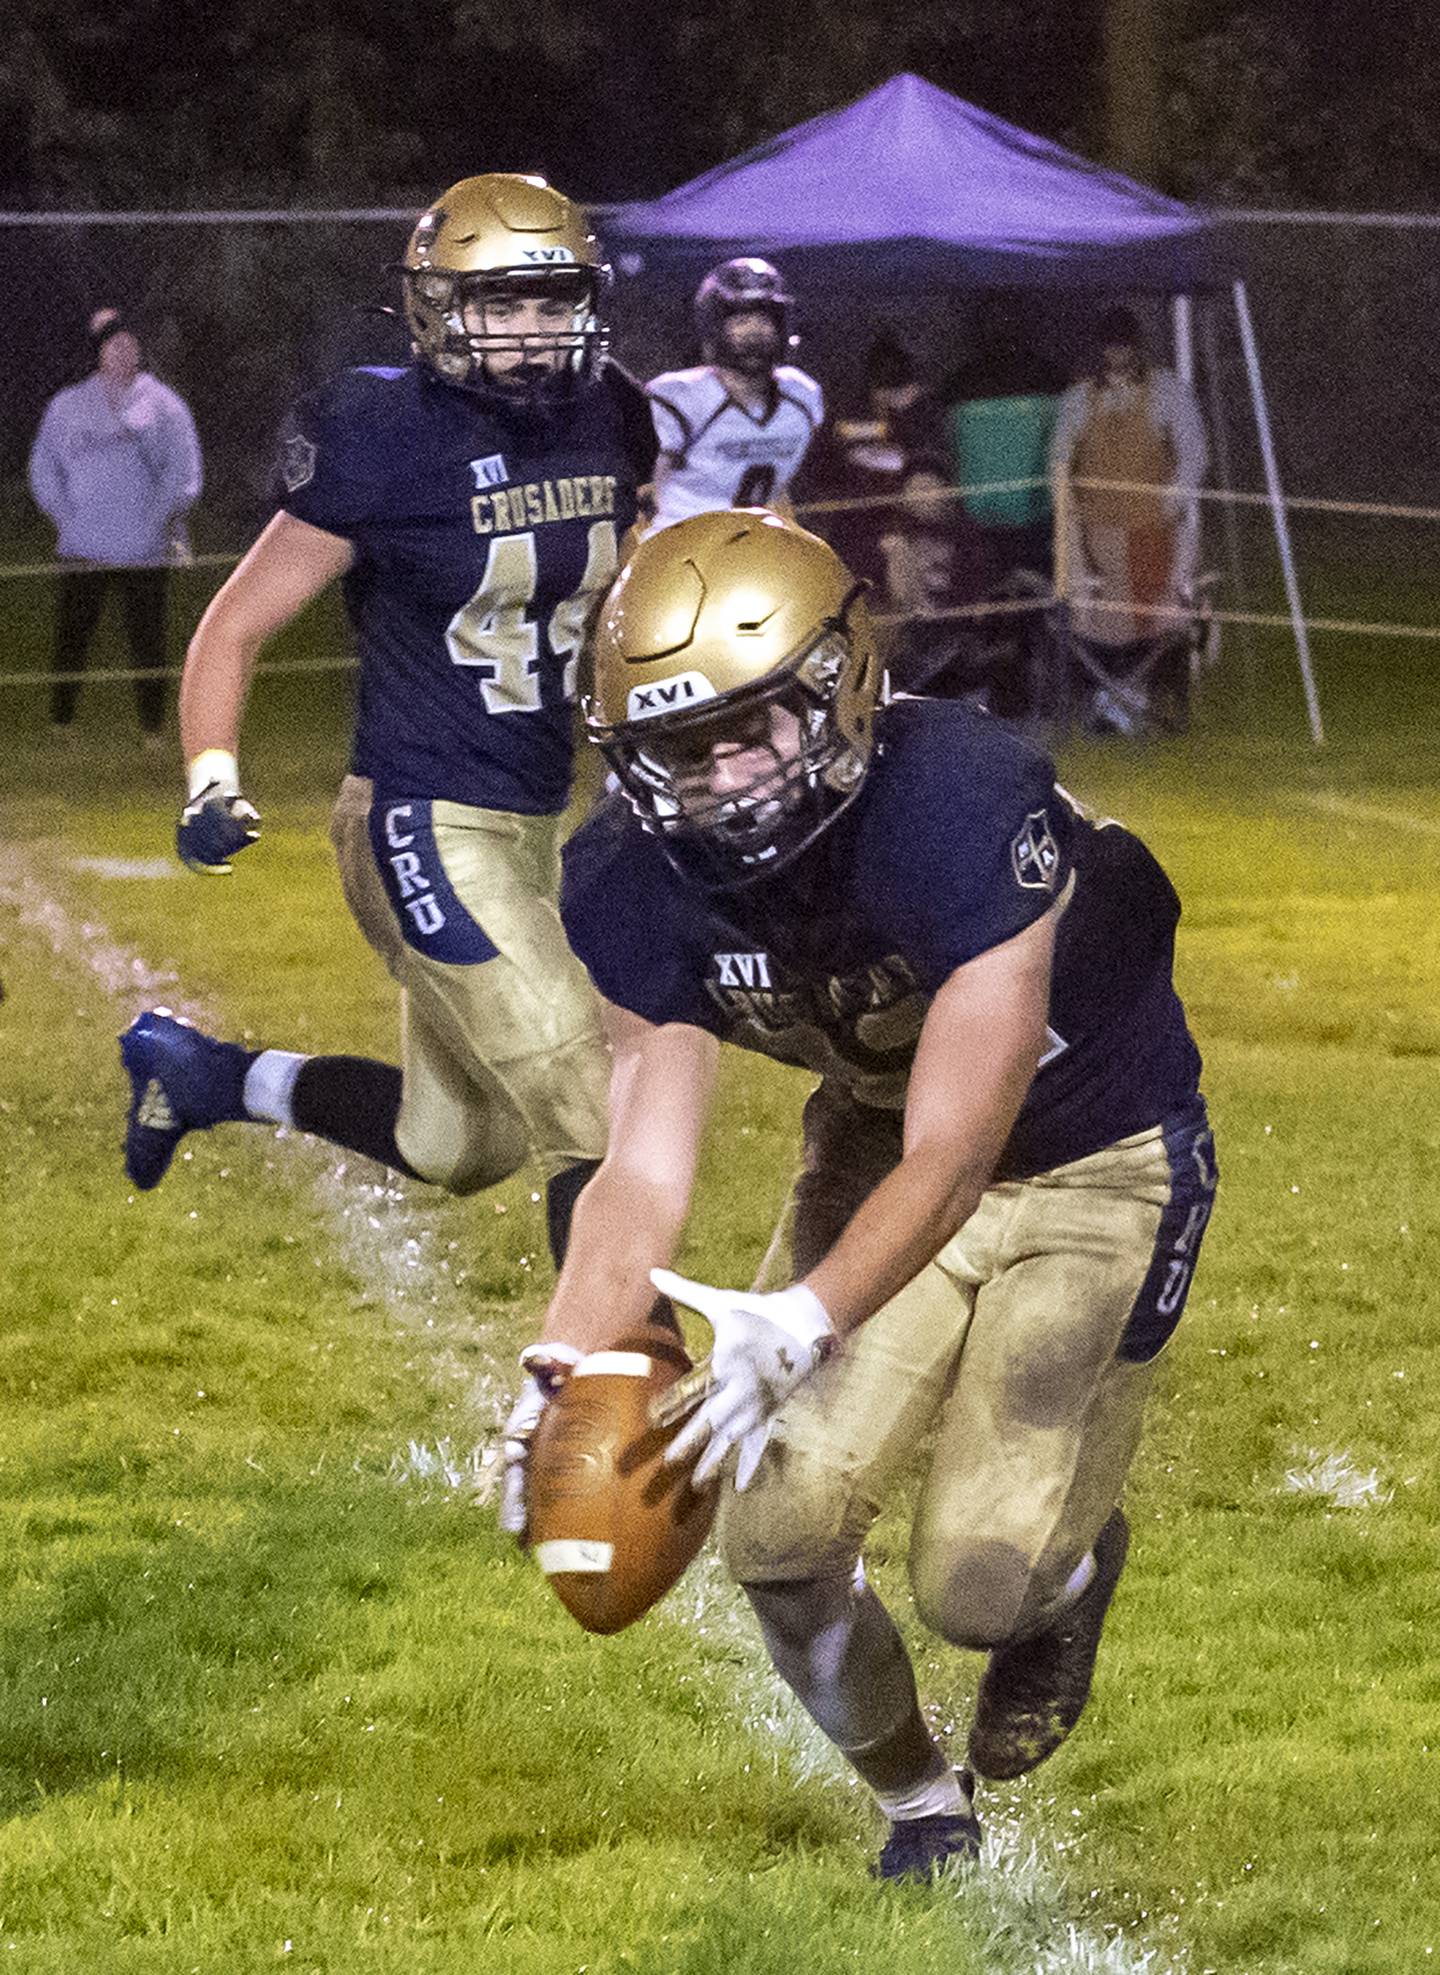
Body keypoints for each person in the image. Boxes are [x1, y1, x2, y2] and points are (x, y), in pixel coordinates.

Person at [500, 509, 1218, 1881]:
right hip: (876, 1146)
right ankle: (920, 1807)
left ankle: (1072, 1578)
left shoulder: (955, 797)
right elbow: (642, 1158)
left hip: (1093, 1155)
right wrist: (556, 1356)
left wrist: (805, 1314)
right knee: (774, 1535)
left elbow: (961, 1144)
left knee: (980, 1583)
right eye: (680, 749)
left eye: (753, 727)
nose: (724, 781)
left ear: (842, 686)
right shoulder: (629, 878)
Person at [118, 174, 658, 1275]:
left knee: (457, 1145)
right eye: (500, 305)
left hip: (533, 821)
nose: (531, 333)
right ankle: (603, 1406)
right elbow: (231, 630)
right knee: (586, 1095)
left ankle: (212, 1074)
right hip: (416, 817)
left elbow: (619, 592)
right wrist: (212, 777)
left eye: (553, 302)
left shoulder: (614, 414)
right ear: (435, 309)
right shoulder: (383, 436)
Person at [28, 307, 203, 744]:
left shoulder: (163, 406)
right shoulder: (67, 406)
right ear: (98, 352)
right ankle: (61, 721)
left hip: (144, 547)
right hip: (83, 546)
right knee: (72, 636)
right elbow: (44, 468)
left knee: (148, 639)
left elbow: (183, 470)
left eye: (130, 344)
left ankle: (153, 729)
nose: (125, 351)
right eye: (114, 344)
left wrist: (157, 519)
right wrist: (67, 517)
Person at [1049, 307, 1207, 726]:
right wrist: (1070, 534)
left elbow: (1193, 457)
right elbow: (1060, 466)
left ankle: (1139, 700)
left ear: (1137, 348)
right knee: (1093, 613)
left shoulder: (1170, 392)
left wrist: (1170, 504)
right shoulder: (1078, 400)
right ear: (1101, 350)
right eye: (1110, 347)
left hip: (1156, 534)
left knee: (1158, 613)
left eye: (1124, 347)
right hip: (1095, 538)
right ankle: (1108, 702)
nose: (1117, 356)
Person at [644, 258, 823, 535]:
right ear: (714, 327)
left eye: (763, 320)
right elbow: (642, 494)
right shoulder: (680, 397)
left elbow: (778, 490)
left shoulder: (802, 396)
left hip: (753, 549)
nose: (754, 333)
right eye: (741, 321)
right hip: (679, 548)